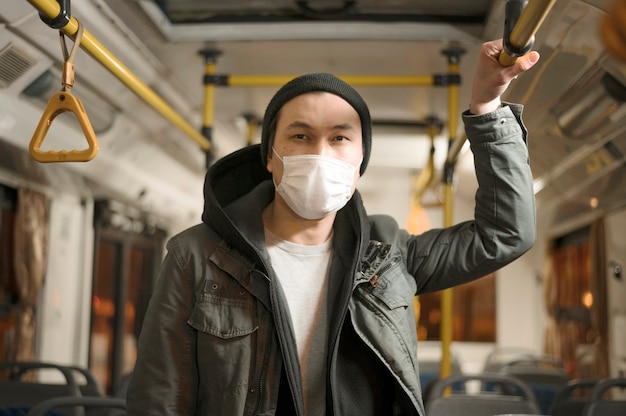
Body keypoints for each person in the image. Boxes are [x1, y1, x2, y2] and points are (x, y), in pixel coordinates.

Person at [126, 38, 540, 416]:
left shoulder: (390, 254)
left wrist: (487, 107)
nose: (320, 154)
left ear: (360, 161)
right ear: (270, 155)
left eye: (339, 138)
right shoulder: (197, 256)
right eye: (301, 136)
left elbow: (505, 233)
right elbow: (160, 397)